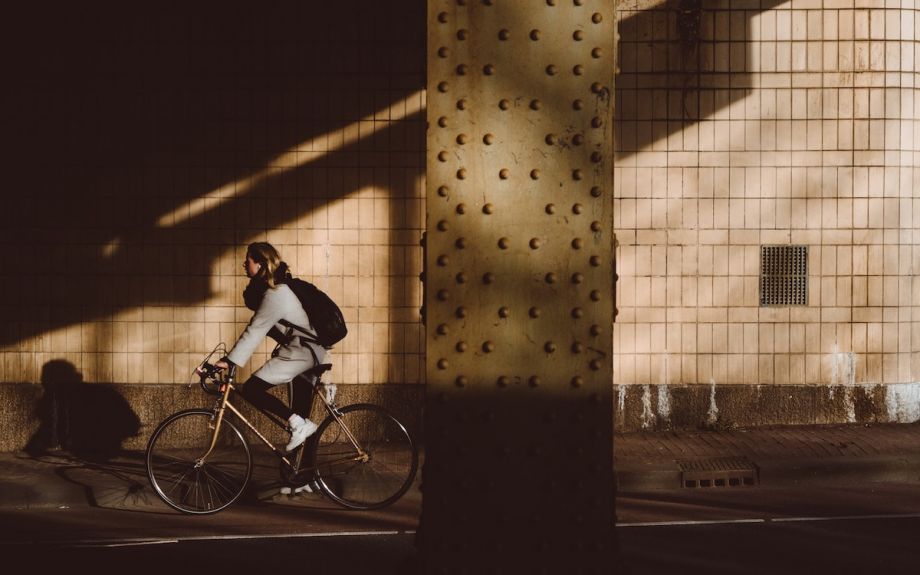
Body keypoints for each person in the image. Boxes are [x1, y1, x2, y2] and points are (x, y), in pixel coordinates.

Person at [215, 242, 326, 452]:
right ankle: (301, 479)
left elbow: (255, 330)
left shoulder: (276, 294)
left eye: (248, 260)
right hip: (305, 352)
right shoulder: (275, 291)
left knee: (252, 389)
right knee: (302, 417)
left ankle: (298, 425)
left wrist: (229, 361)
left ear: (260, 263)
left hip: (302, 353)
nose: (243, 264)